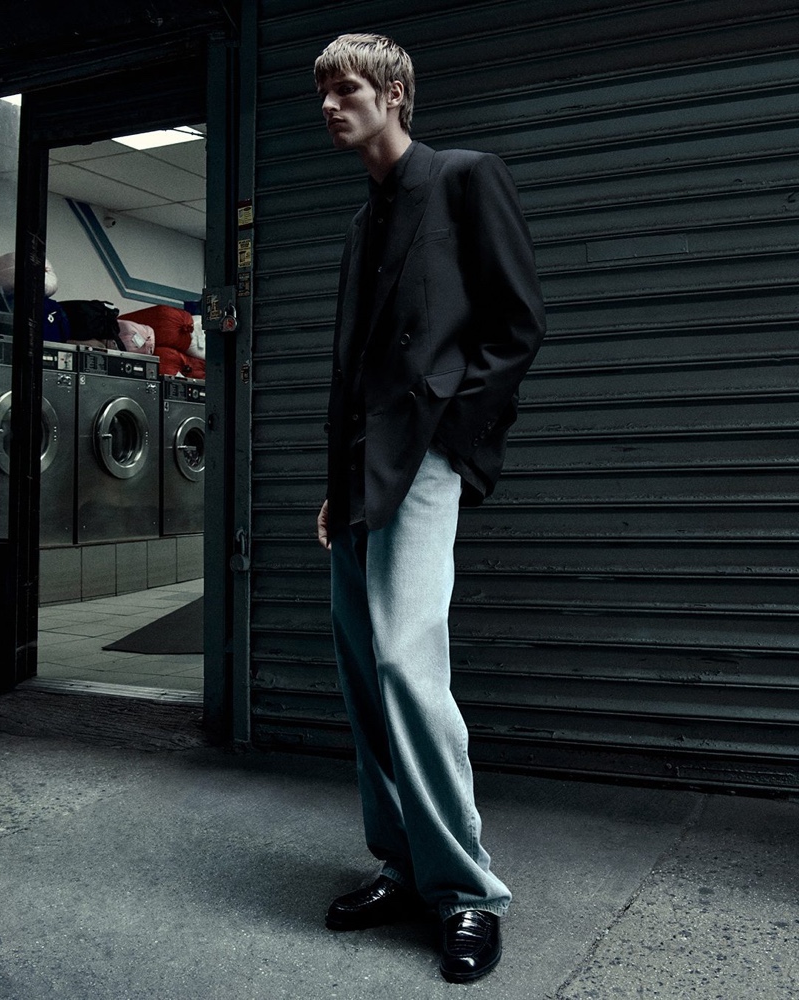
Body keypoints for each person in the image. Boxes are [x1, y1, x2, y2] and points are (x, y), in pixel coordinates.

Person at [314, 33, 546, 984]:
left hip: (423, 463)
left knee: (410, 665)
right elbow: (352, 370)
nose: (331, 105)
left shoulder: (463, 179)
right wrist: (335, 485)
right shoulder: (361, 224)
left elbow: (516, 323)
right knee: (366, 675)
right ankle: (402, 864)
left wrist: (451, 445)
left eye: (349, 88)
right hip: (362, 474)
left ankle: (467, 891)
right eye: (323, 92)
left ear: (398, 92)